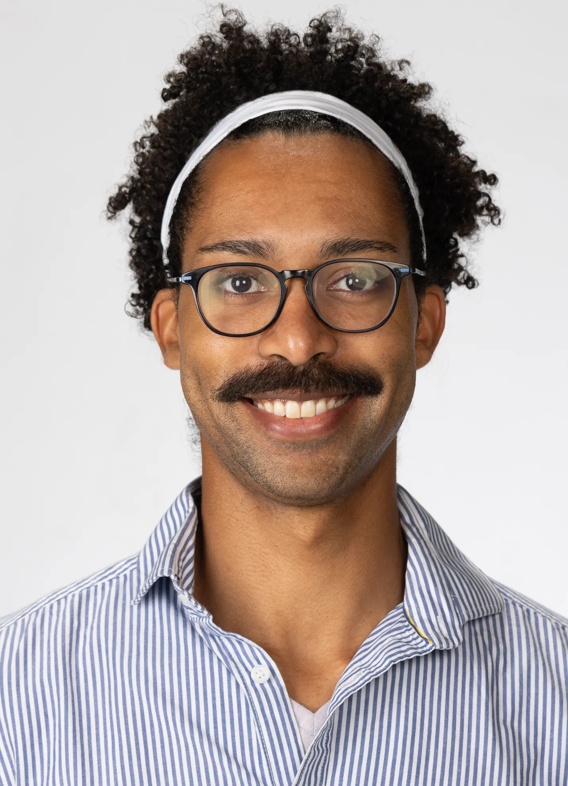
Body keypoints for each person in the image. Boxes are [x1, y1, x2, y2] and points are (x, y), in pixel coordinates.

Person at [0, 9, 566, 785]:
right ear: (171, 330)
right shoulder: (16, 698)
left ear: (425, 323)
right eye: (239, 282)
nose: (297, 341)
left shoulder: (556, 701)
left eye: (357, 279)